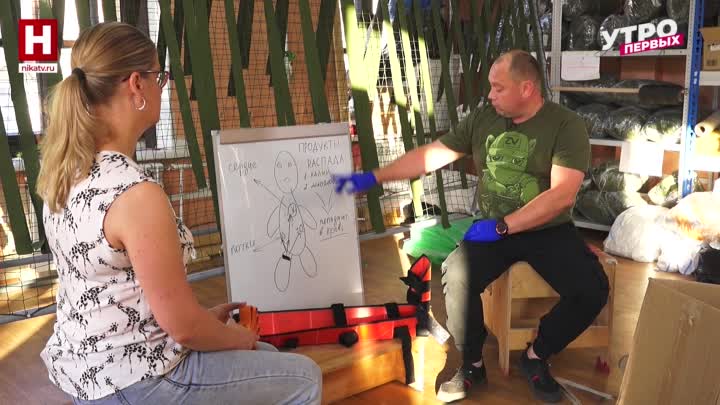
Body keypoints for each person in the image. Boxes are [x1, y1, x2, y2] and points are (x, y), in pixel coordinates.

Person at [37, 22, 321, 404]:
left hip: (90, 376)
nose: (162, 86)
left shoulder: (66, 172)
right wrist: (238, 337)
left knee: (266, 356)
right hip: (139, 382)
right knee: (304, 377)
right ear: (136, 85)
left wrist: (205, 319)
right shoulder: (135, 194)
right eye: (160, 77)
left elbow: (120, 292)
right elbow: (184, 330)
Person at [334, 49, 609, 403]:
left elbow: (561, 196)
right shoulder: (484, 118)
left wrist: (504, 227)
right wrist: (375, 176)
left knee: (592, 289)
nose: (490, 95)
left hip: (546, 228)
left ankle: (537, 354)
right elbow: (432, 154)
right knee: (456, 275)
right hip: (494, 227)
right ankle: (473, 364)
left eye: (498, 88)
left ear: (527, 88)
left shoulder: (565, 125)